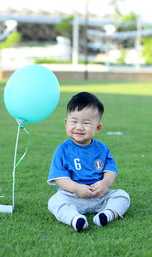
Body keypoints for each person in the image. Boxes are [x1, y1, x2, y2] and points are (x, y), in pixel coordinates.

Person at [47, 92, 130, 232]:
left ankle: (107, 214)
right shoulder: (62, 150)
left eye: (86, 123)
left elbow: (110, 171)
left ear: (98, 128)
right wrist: (77, 188)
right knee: (54, 202)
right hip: (72, 195)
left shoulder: (102, 149)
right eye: (74, 121)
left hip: (99, 195)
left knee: (122, 196)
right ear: (66, 123)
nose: (79, 127)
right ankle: (75, 218)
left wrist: (104, 184)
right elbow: (59, 178)